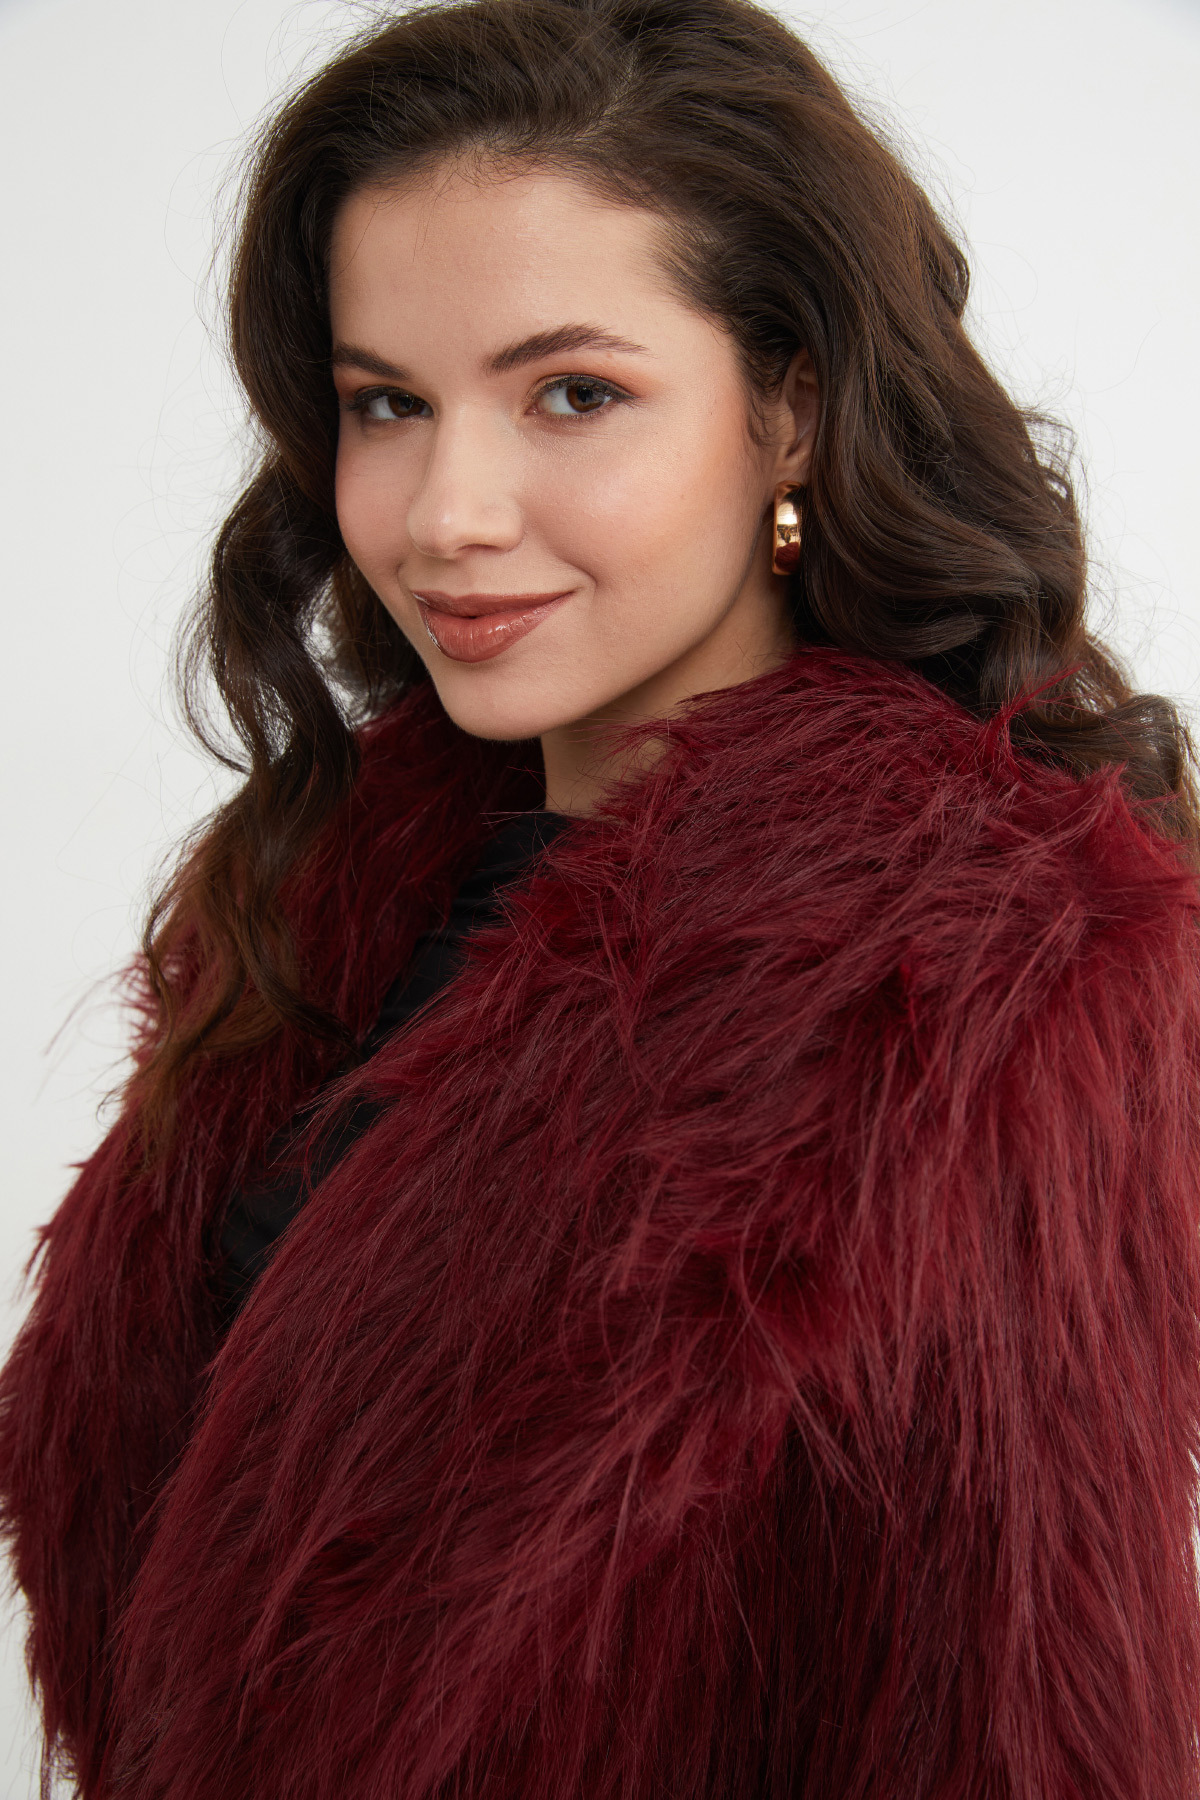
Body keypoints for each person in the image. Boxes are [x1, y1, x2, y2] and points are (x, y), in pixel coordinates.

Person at [3, 0, 1200, 1794]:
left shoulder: (982, 990)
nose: (447, 512)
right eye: (388, 404)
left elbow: (1028, 1731)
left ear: (790, 413)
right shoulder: (324, 903)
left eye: (574, 394)